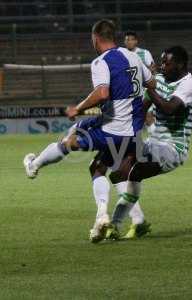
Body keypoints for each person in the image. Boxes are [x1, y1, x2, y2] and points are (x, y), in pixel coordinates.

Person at [23, 19, 155, 241]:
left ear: (95, 38)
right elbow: (152, 85)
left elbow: (102, 93)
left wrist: (79, 108)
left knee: (69, 141)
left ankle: (34, 166)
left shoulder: (100, 62)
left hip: (112, 128)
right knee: (102, 167)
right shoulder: (132, 56)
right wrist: (140, 110)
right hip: (132, 132)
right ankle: (115, 219)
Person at [103, 46, 192, 241]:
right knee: (117, 166)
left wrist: (150, 85)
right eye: (161, 61)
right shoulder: (161, 80)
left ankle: (114, 223)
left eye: (167, 62)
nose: (161, 65)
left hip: (174, 149)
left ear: (180, 64)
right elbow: (142, 108)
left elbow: (169, 108)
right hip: (153, 143)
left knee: (128, 172)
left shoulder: (190, 84)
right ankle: (132, 224)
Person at [124, 30, 157, 135]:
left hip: (144, 90)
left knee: (148, 116)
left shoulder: (144, 53)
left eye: (131, 39)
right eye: (126, 40)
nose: (128, 42)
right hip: (128, 92)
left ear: (136, 41)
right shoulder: (122, 54)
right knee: (131, 120)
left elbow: (152, 70)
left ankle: (157, 141)